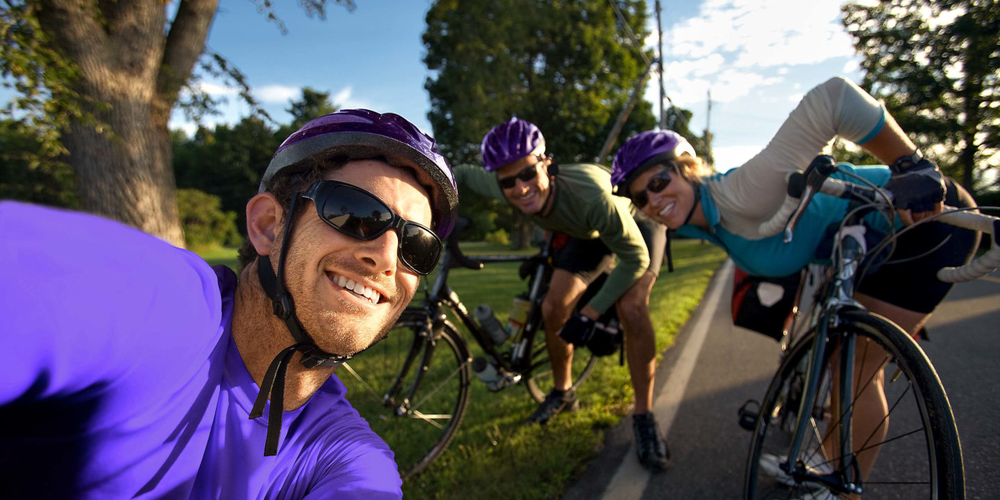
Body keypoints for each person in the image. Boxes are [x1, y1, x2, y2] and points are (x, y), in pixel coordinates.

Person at [0, 109, 459, 499]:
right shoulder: (164, 307)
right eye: (356, 214)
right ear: (267, 225)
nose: (384, 257)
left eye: (416, 247)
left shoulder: (344, 451)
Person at [610, 77, 979, 496]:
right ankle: (824, 462)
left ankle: (839, 487)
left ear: (686, 169)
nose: (653, 201)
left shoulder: (741, 192)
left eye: (659, 182)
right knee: (845, 358)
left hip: (928, 220)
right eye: (641, 198)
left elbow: (834, 98)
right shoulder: (700, 219)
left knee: (855, 369)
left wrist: (911, 165)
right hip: (869, 241)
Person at [453, 118, 671, 471]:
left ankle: (644, 416)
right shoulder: (502, 185)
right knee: (553, 307)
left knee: (631, 307)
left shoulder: (591, 193)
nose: (520, 189)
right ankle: (563, 392)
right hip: (587, 235)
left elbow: (636, 258)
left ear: (546, 164)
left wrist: (591, 314)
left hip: (635, 224)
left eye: (527, 175)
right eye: (508, 181)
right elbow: (459, 172)